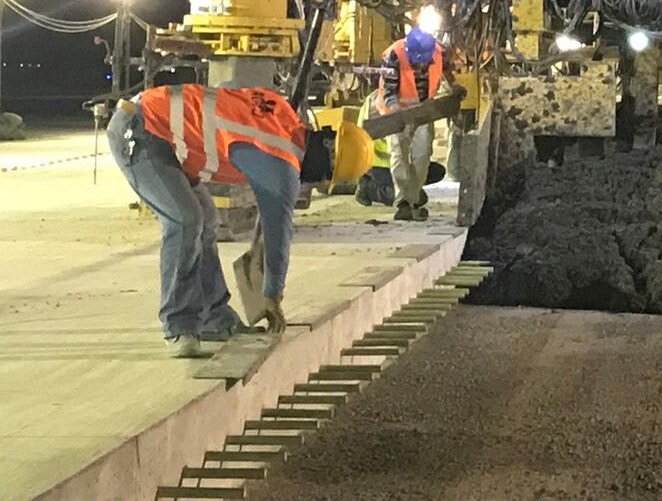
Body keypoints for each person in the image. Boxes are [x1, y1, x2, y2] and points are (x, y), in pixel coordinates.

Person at [107, 83, 346, 358]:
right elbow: (277, 235)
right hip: (140, 131)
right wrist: (271, 295)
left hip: (162, 130)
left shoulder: (284, 114)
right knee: (186, 220)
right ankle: (179, 325)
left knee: (205, 219)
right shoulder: (282, 170)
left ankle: (214, 319)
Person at [373, 27, 447, 221]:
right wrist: (400, 118)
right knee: (399, 157)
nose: (420, 65)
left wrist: (454, 87)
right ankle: (402, 203)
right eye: (416, 61)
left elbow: (447, 73)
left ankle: (413, 200)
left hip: (422, 112)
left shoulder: (439, 52)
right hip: (395, 112)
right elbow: (388, 92)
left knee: (421, 157)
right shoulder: (394, 55)